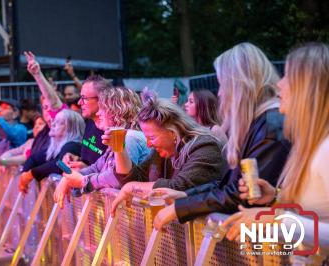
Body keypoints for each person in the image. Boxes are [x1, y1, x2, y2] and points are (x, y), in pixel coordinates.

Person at [145, 43, 291, 230]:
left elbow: (246, 193)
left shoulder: (271, 125)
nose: (220, 93)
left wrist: (181, 207)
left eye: (222, 84)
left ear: (240, 84)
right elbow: (229, 184)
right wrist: (185, 196)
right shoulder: (260, 122)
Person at [222, 43, 329, 253]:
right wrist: (275, 197)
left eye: (288, 76)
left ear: (308, 88)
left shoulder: (326, 149)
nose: (279, 84)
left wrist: (276, 220)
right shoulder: (309, 146)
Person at [109, 89, 225, 214]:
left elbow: (176, 188)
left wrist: (131, 188)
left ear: (172, 132)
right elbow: (133, 178)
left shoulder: (205, 147)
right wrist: (119, 149)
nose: (148, 144)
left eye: (152, 138)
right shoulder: (161, 153)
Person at [53, 86, 150, 207]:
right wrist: (67, 179)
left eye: (102, 108)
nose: (98, 113)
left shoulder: (130, 137)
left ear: (117, 110)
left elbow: (118, 177)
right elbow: (95, 167)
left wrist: (84, 181)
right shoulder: (121, 137)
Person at [19, 109, 85, 193]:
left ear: (70, 128)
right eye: (53, 121)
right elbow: (34, 158)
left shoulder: (72, 145)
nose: (52, 124)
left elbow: (58, 165)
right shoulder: (55, 147)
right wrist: (24, 174)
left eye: (58, 122)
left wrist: (30, 174)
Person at [63, 75, 110, 169]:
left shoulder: (113, 130)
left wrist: (86, 169)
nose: (79, 102)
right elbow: (90, 160)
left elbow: (114, 175)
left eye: (84, 98)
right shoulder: (90, 121)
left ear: (101, 99)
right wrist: (77, 159)